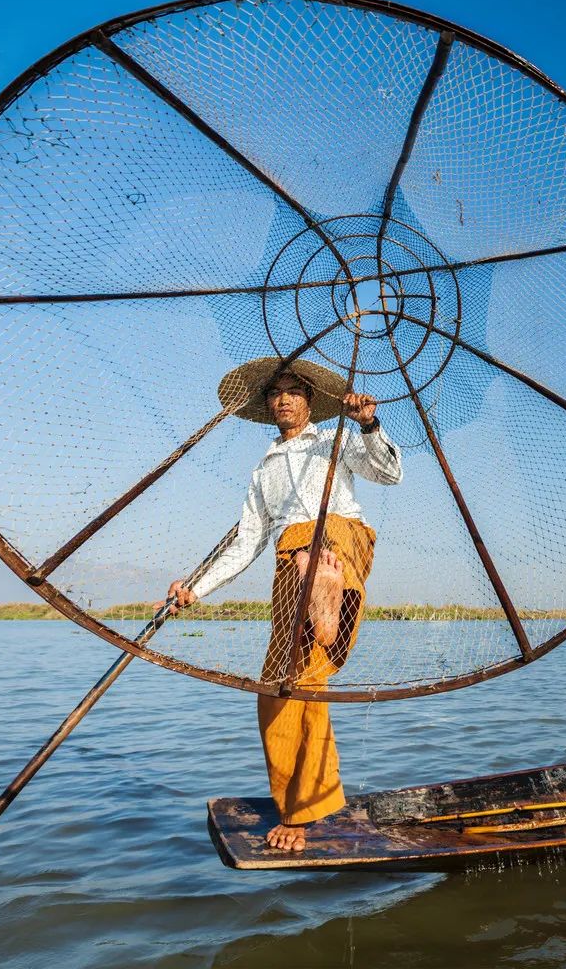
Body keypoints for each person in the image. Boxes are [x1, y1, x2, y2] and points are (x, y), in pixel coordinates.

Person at [163, 357, 402, 852]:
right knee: (280, 686)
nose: (285, 398)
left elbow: (389, 473)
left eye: (295, 390)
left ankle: (325, 595)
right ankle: (307, 801)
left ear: (311, 401)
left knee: (311, 539)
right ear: (268, 404)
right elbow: (246, 543)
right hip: (292, 570)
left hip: (341, 540)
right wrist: (195, 587)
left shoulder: (333, 441)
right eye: (277, 392)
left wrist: (369, 424)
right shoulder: (264, 469)